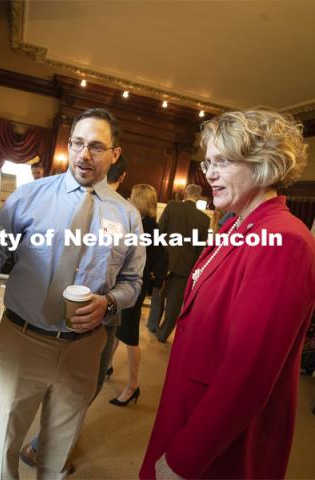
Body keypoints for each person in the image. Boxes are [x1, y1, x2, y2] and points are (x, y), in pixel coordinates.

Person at [0, 108, 145, 480]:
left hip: (84, 350)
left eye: (96, 146)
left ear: (114, 154)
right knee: (1, 454)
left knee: (56, 454)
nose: (84, 155)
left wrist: (108, 302)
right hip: (22, 343)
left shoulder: (127, 216)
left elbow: (133, 283)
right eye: (77, 143)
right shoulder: (30, 197)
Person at [140, 110, 315, 479]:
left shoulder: (282, 239)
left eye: (223, 161)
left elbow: (248, 373)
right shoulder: (237, 225)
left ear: (264, 164)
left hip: (220, 438)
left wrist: (184, 459)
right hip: (190, 406)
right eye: (208, 162)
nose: (209, 173)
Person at [20, 154, 129, 470]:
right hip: (79, 322)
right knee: (80, 388)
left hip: (99, 315)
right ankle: (45, 446)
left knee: (74, 387)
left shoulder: (123, 214)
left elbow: (127, 278)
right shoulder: (71, 204)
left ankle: (48, 445)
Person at [109, 184, 166, 407]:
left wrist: (154, 282)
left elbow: (157, 258)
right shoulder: (146, 224)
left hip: (135, 285)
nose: (129, 199)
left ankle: (133, 386)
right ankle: (107, 366)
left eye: (132, 197)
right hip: (131, 283)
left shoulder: (147, 227)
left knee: (130, 336)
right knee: (116, 327)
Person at [147, 184, 209, 342]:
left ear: (186, 193)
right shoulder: (204, 219)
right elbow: (199, 248)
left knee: (157, 295)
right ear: (199, 197)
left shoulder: (172, 206)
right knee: (174, 305)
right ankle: (163, 334)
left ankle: (153, 325)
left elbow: (159, 231)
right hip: (185, 266)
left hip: (165, 260)